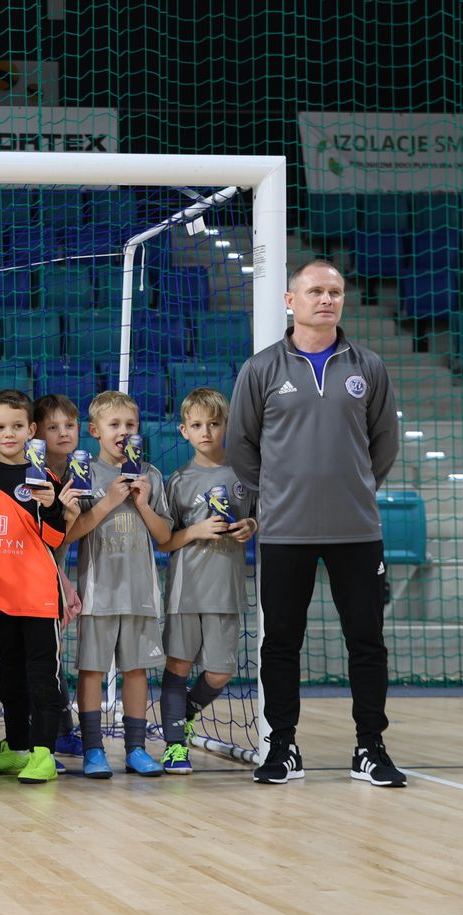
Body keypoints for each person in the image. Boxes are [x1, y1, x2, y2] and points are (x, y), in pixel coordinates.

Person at [226, 258, 404, 787]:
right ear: (291, 301)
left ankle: (370, 748)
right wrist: (276, 495)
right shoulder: (261, 369)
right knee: (281, 642)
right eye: (315, 291)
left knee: (367, 642)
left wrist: (354, 486)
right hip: (285, 531)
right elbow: (241, 445)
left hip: (357, 531)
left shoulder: (369, 366)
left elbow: (384, 444)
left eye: (335, 292)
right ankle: (282, 747)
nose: (326, 299)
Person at [61, 390, 174, 780]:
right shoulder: (84, 473)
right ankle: (93, 748)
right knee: (92, 670)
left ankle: (136, 749)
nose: (123, 432)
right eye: (114, 425)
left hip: (140, 593)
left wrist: (142, 503)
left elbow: (164, 537)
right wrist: (108, 502)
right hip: (99, 593)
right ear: (95, 431)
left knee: (137, 670)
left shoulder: (151, 476)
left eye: (130, 424)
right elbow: (69, 534)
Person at [156, 387, 258, 774]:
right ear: (184, 431)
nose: (206, 432)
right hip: (186, 590)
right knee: (179, 665)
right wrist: (196, 531)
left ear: (225, 426)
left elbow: (258, 517)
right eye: (197, 425)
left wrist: (250, 525)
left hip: (227, 590)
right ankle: (173, 745)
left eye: (213, 424)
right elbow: (165, 541)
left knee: (220, 673)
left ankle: (183, 714)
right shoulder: (178, 480)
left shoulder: (244, 475)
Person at [0, 389, 68, 784]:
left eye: (16, 426)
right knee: (9, 677)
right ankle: (16, 748)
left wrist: (51, 506)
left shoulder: (45, 479)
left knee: (43, 678)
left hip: (38, 597)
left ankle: (44, 754)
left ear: (31, 430)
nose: (8, 434)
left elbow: (56, 540)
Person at [33, 393, 86, 757]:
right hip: (31, 572)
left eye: (69, 425)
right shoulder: (30, 472)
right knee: (40, 656)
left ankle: (61, 731)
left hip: (55, 569)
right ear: (36, 432)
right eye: (53, 427)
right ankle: (41, 734)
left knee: (53, 653)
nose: (63, 433)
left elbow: (70, 532)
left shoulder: (79, 472)